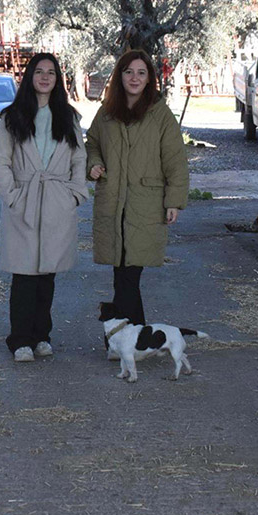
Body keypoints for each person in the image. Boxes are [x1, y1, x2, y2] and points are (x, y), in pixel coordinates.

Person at [0, 53, 88, 362]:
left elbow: (79, 160)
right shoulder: (12, 117)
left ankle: (41, 335)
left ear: (58, 79)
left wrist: (75, 195)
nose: (45, 77)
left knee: (48, 274)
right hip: (25, 200)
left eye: (51, 72)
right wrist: (12, 197)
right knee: (24, 275)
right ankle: (20, 340)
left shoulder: (69, 117)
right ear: (30, 76)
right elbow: (1, 162)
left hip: (57, 202)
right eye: (39, 71)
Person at [85, 49, 189, 327]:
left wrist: (173, 201)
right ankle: (126, 339)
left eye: (141, 73)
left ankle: (134, 338)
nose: (134, 78)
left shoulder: (160, 115)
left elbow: (175, 160)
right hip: (112, 203)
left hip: (145, 205)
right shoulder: (106, 113)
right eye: (129, 71)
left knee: (128, 276)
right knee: (121, 275)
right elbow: (91, 144)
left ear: (149, 79)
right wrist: (93, 164)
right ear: (119, 76)